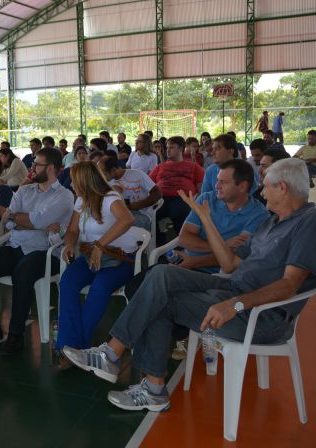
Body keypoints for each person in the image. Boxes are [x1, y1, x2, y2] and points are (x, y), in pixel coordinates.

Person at [62, 158, 315, 413]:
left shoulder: (308, 222)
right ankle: (114, 356)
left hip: (260, 316)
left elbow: (289, 285)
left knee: (159, 302)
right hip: (234, 289)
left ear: (282, 187)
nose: (262, 191)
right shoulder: (270, 223)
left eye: (267, 186)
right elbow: (229, 264)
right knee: (162, 274)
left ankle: (146, 383)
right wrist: (205, 219)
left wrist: (236, 304)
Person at [0, 148, 73, 354]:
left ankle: (15, 336)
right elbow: (9, 219)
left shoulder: (64, 195)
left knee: (22, 273)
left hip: (46, 252)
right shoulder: (24, 191)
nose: (32, 168)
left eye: (37, 164)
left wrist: (24, 219)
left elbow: (36, 220)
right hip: (16, 247)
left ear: (50, 168)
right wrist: (26, 220)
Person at [56, 161, 137, 369]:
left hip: (119, 259)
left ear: (84, 181)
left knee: (99, 288)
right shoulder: (81, 200)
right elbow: (73, 230)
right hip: (90, 256)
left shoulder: (110, 198)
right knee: (68, 282)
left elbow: (127, 219)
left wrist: (100, 245)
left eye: (74, 181)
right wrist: (70, 244)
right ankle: (71, 346)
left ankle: (75, 349)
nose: (71, 184)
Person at [175, 159, 269, 273]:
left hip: (217, 274)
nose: (216, 186)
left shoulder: (258, 214)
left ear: (242, 186)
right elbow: (184, 239)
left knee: (160, 276)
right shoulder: (207, 199)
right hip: (184, 262)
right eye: (217, 180)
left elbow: (234, 257)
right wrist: (224, 245)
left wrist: (193, 261)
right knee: (156, 274)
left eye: (223, 182)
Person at [150, 136, 204, 238]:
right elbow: (149, 185)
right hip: (160, 198)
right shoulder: (160, 167)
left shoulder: (193, 167)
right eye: (167, 147)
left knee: (180, 212)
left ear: (180, 149)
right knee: (151, 215)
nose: (167, 150)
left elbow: (201, 188)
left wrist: (196, 202)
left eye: (171, 147)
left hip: (182, 199)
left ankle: (181, 246)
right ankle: (159, 247)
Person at [101, 157, 162, 231]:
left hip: (141, 213)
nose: (100, 176)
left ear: (113, 170)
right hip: (119, 213)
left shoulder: (137, 175)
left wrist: (138, 205)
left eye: (103, 173)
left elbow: (158, 193)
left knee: (117, 225)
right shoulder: (106, 182)